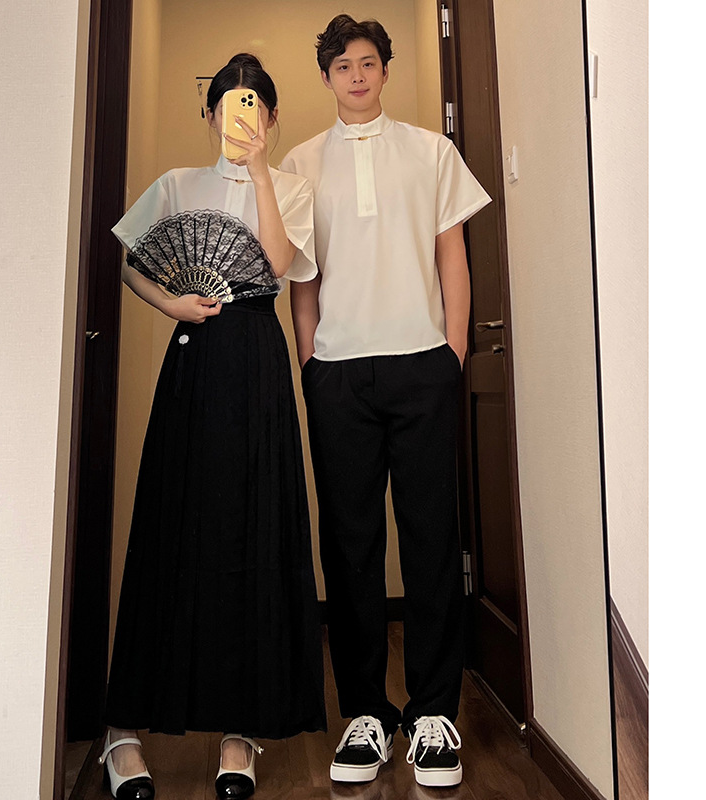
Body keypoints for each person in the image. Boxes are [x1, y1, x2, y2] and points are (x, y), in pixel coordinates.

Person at [101, 53, 326, 800]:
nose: (242, 116)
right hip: (194, 358)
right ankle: (123, 732)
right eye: (231, 104)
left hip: (257, 358)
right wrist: (170, 304)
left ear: (271, 117)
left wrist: (260, 173)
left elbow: (280, 263)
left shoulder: (290, 187)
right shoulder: (176, 185)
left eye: (255, 104)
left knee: (251, 528)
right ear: (210, 115)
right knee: (174, 521)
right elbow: (130, 262)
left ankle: (240, 728)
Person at [280, 15, 491, 789]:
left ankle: (434, 714)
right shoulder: (301, 163)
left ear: (385, 71)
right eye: (343, 66)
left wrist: (452, 353)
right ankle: (365, 713)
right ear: (327, 77)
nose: (357, 76)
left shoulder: (432, 152)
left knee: (433, 538)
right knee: (350, 544)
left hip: (422, 364)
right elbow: (303, 278)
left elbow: (451, 256)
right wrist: (311, 364)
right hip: (339, 373)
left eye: (368, 63)